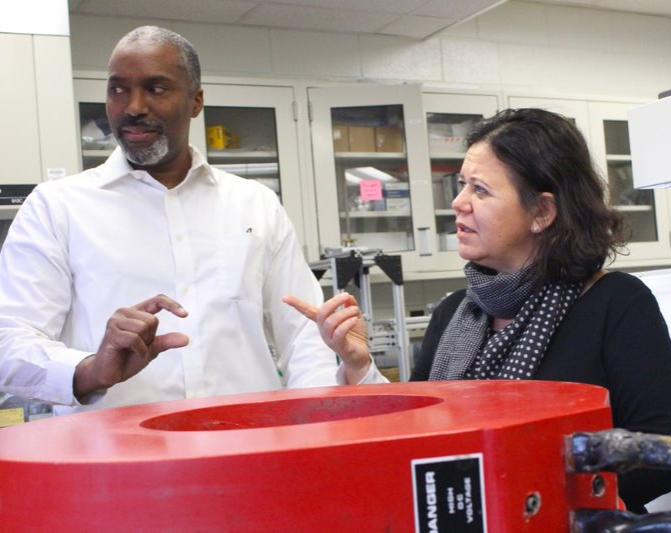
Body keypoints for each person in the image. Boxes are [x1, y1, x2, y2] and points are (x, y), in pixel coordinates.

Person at [291, 108, 671, 513]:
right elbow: (412, 439)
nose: (458, 203)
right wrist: (358, 365)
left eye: (480, 190)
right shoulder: (453, 314)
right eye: (462, 185)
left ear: (541, 213)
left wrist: (556, 501)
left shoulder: (616, 303)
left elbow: (662, 453)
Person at [0, 26, 385, 415]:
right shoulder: (57, 207)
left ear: (196, 100)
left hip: (247, 452)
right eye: (118, 89)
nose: (133, 106)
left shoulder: (254, 205)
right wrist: (90, 370)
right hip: (114, 464)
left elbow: (305, 337)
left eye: (156, 88)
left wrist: (313, 427)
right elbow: (9, 342)